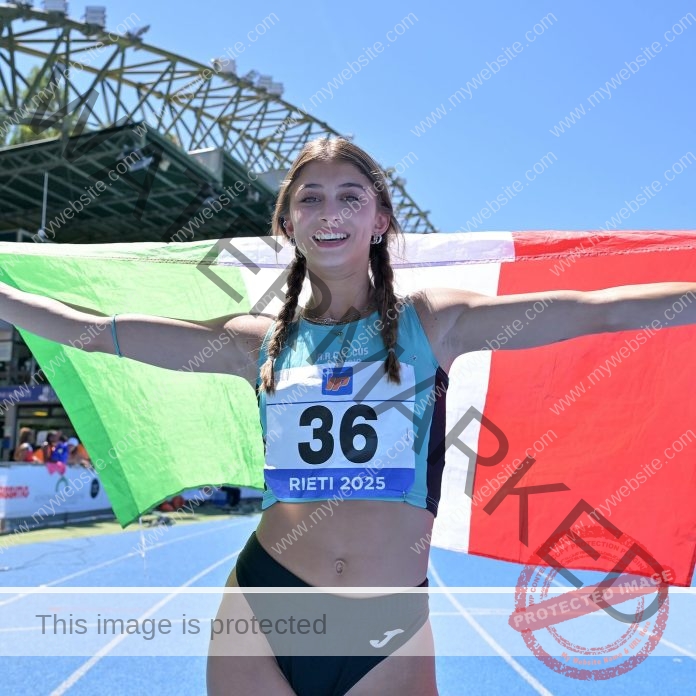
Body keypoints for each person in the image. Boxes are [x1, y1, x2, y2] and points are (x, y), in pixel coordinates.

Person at [1, 136, 695, 695]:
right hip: (264, 604)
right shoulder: (258, 342)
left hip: (384, 623)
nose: (329, 212)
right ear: (289, 223)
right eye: (311, 199)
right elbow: (92, 330)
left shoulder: (435, 323)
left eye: (349, 197)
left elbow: (601, 310)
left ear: (380, 219)